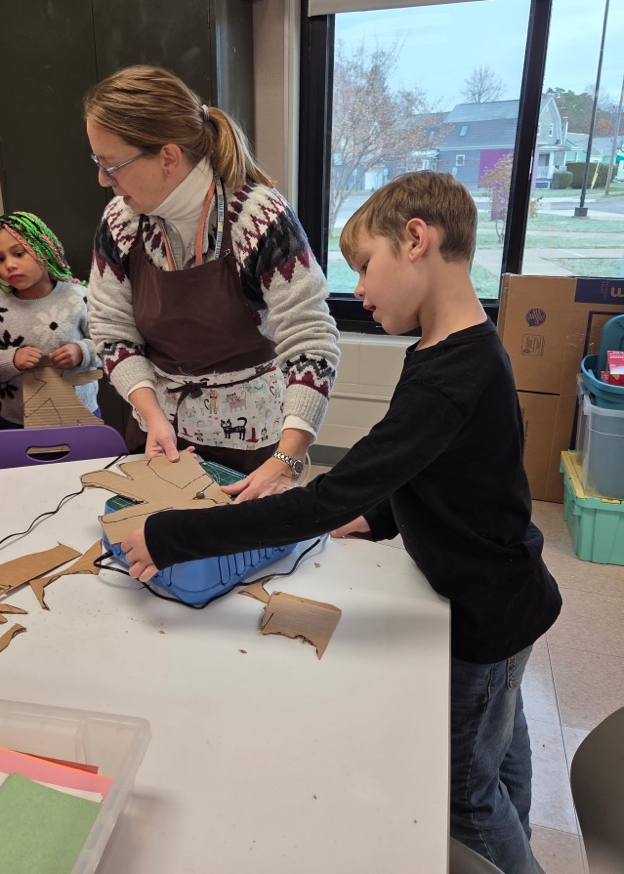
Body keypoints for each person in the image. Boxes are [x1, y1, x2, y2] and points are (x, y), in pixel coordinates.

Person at [122, 171, 562, 874]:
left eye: (363, 266)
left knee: (470, 800)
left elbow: (321, 499)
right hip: (509, 599)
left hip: (485, 622)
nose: (357, 289)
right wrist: (379, 515)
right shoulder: (459, 347)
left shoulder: (451, 374)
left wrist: (174, 535)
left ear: (416, 239)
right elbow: (447, 468)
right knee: (502, 763)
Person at [84, 64, 339, 501]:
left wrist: (288, 458)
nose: (103, 180)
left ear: (168, 157)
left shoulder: (259, 219)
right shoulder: (120, 221)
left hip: (254, 444)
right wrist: (151, 414)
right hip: (160, 436)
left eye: (113, 165)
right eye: (99, 163)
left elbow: (311, 342)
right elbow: (111, 332)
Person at [0, 211, 102, 429]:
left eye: (19, 253)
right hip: (17, 423)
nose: (10, 265)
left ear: (44, 250)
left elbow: (110, 347)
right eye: (0, 259)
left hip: (81, 418)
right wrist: (11, 360)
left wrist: (82, 352)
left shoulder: (78, 296)